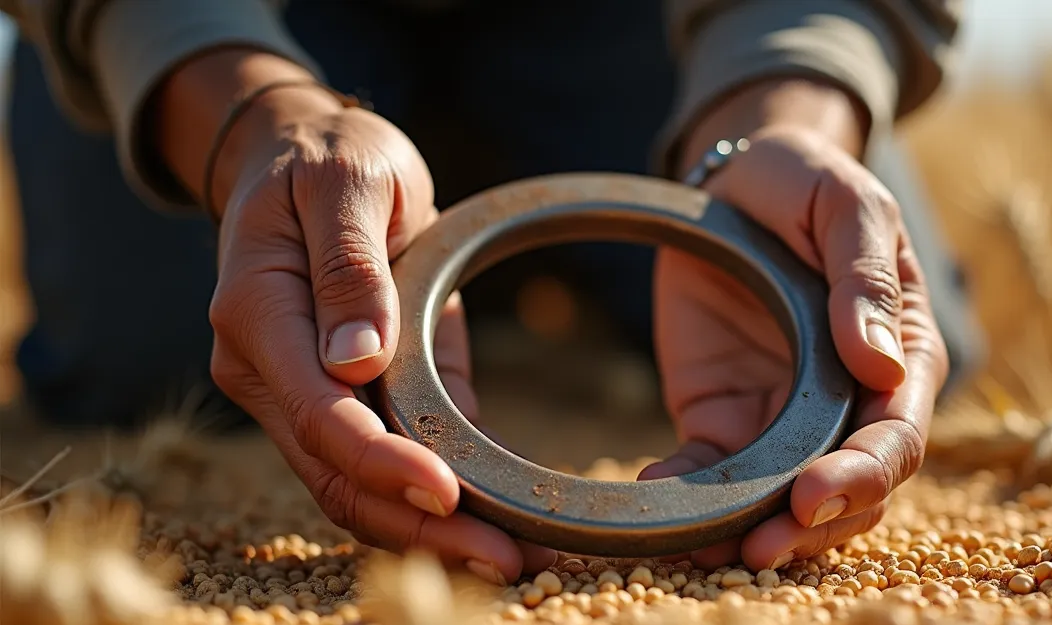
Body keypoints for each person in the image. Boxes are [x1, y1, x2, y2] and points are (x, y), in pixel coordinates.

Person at [3, 0, 981, 584]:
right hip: (252, 19)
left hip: (639, 27)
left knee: (847, 313)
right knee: (154, 351)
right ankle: (499, 286)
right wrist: (253, 119)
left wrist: (778, 110)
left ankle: (508, 286)